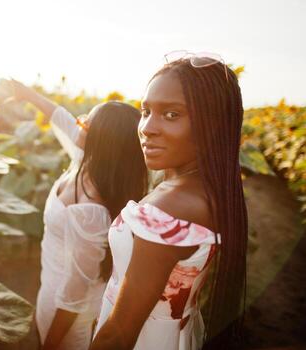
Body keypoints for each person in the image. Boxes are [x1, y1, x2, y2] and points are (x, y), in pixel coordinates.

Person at [90, 53, 248, 350]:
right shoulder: (208, 187)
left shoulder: (170, 210)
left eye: (171, 114)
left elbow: (119, 335)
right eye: (145, 110)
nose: (147, 127)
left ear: (213, 124)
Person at [9, 80, 147, 350]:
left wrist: (49, 346)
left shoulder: (90, 211)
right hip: (49, 287)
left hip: (67, 314)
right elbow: (61, 118)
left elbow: (75, 295)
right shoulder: (85, 159)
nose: (79, 121)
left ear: (101, 141)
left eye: (87, 122)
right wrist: (27, 94)